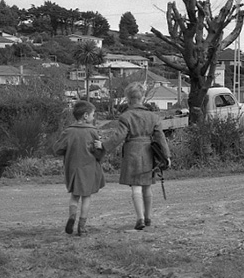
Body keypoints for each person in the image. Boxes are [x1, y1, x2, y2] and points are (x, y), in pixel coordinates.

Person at [106, 82, 170, 231]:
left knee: (136, 186)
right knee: (147, 186)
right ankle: (148, 217)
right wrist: (167, 156)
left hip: (132, 152)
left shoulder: (125, 116)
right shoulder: (153, 117)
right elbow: (161, 139)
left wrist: (103, 147)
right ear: (143, 97)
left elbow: (118, 137)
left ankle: (139, 218)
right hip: (149, 152)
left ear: (128, 99)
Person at [52, 100, 105, 236]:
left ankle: (72, 216)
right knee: (86, 197)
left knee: (74, 196)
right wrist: (101, 147)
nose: (94, 117)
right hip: (89, 169)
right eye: (93, 114)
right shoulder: (93, 132)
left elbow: (57, 149)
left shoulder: (68, 131)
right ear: (86, 116)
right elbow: (98, 153)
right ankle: (82, 226)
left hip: (73, 168)